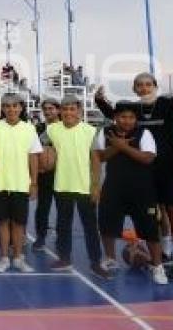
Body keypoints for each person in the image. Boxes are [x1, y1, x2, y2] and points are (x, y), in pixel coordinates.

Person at [94, 72, 173, 277]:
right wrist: (98, 100)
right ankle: (165, 252)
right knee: (157, 215)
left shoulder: (170, 104)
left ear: (155, 86)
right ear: (134, 89)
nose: (144, 88)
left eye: (148, 84)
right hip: (146, 172)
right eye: (139, 85)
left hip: (169, 168)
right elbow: (114, 113)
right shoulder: (134, 109)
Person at [93, 102, 167, 284]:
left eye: (131, 117)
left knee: (150, 229)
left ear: (136, 119)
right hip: (113, 187)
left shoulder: (144, 133)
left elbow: (148, 157)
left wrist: (123, 147)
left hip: (142, 189)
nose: (127, 121)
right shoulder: (104, 132)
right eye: (123, 117)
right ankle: (110, 259)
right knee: (107, 225)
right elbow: (99, 156)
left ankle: (157, 266)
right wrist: (117, 146)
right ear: (115, 118)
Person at [0, 93, 42, 273]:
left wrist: (34, 182)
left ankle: (18, 258)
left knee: (18, 223)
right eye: (8, 106)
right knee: (3, 222)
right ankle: (4, 258)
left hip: (21, 183)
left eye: (15, 106)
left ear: (21, 107)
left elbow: (33, 157)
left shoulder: (29, 129)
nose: (11, 109)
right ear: (2, 108)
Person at [46, 96, 107, 277]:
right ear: (60, 112)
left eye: (72, 109)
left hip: (85, 186)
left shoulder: (90, 131)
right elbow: (38, 149)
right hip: (62, 185)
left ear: (79, 111)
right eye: (65, 109)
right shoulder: (51, 129)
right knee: (62, 225)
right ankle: (64, 258)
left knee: (90, 226)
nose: (68, 113)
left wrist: (96, 185)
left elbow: (96, 160)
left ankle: (95, 262)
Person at [33, 98, 61, 252]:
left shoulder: (65, 127)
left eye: (51, 108)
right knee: (43, 207)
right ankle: (41, 236)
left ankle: (61, 235)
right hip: (44, 173)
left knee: (62, 207)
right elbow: (33, 150)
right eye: (46, 109)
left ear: (58, 110)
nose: (48, 111)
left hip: (62, 173)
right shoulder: (39, 128)